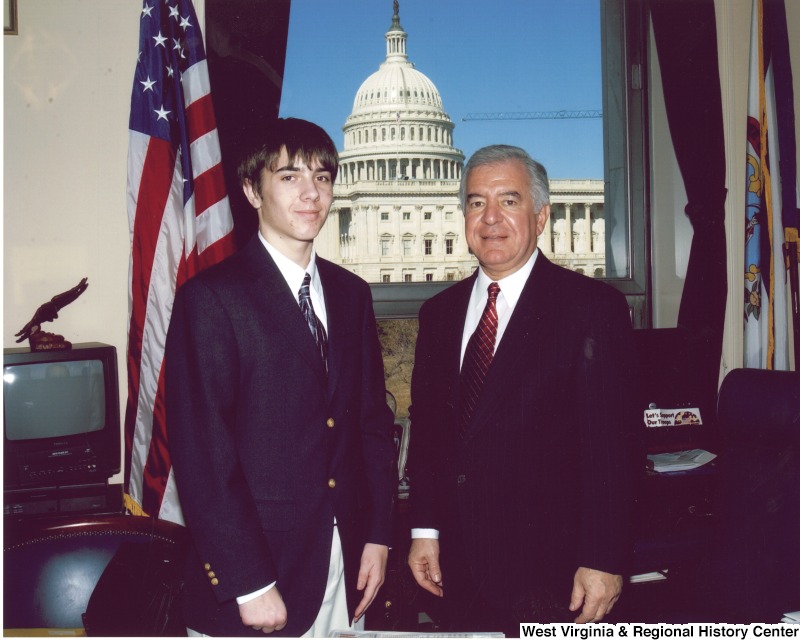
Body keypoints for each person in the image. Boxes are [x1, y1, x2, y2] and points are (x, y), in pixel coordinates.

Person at [166, 118, 396, 637]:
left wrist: (378, 536)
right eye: (289, 177)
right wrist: (248, 582)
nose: (311, 193)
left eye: (323, 176)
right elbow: (203, 453)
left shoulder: (351, 294)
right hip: (257, 581)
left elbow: (370, 428)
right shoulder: (212, 299)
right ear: (252, 190)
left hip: (346, 565)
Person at [406, 145, 639, 635]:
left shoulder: (591, 308)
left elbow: (612, 451)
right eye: (475, 203)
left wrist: (604, 559)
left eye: (508, 201)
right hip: (458, 568)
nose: (490, 218)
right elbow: (429, 438)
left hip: (554, 573)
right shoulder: (438, 314)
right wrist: (424, 530)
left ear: (541, 215)